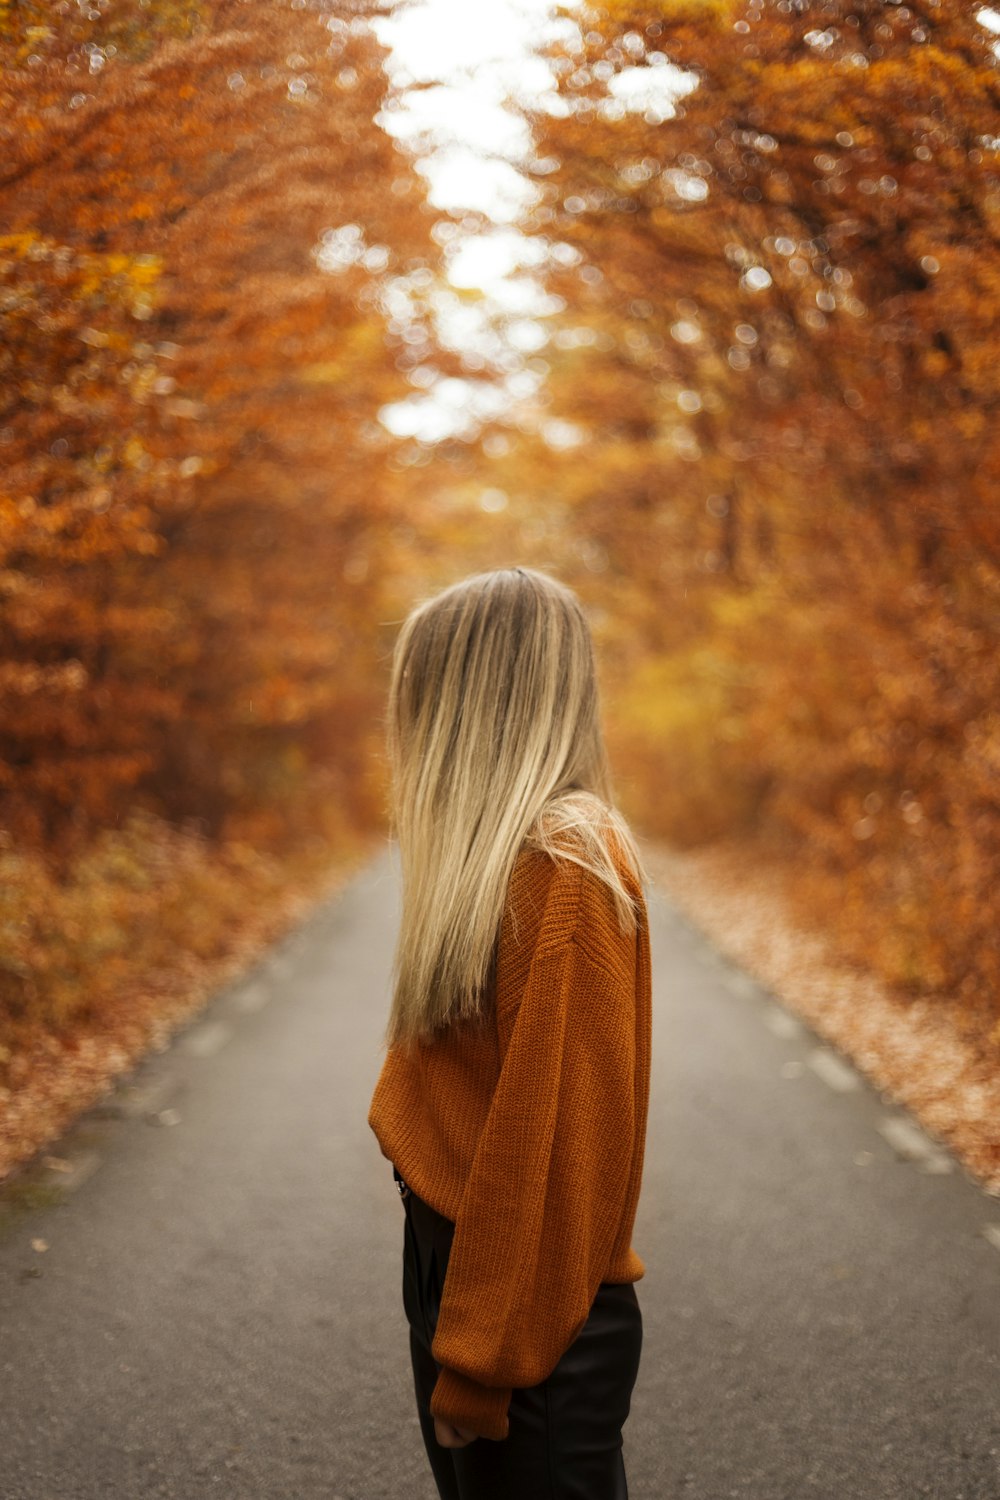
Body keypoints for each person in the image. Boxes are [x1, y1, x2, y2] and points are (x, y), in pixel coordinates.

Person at [368, 567, 652, 1499]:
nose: (404, 721)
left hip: (528, 1321)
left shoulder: (561, 861)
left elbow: (562, 1154)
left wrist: (482, 1364)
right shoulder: (502, 859)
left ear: (467, 703)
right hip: (465, 1275)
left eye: (420, 693)